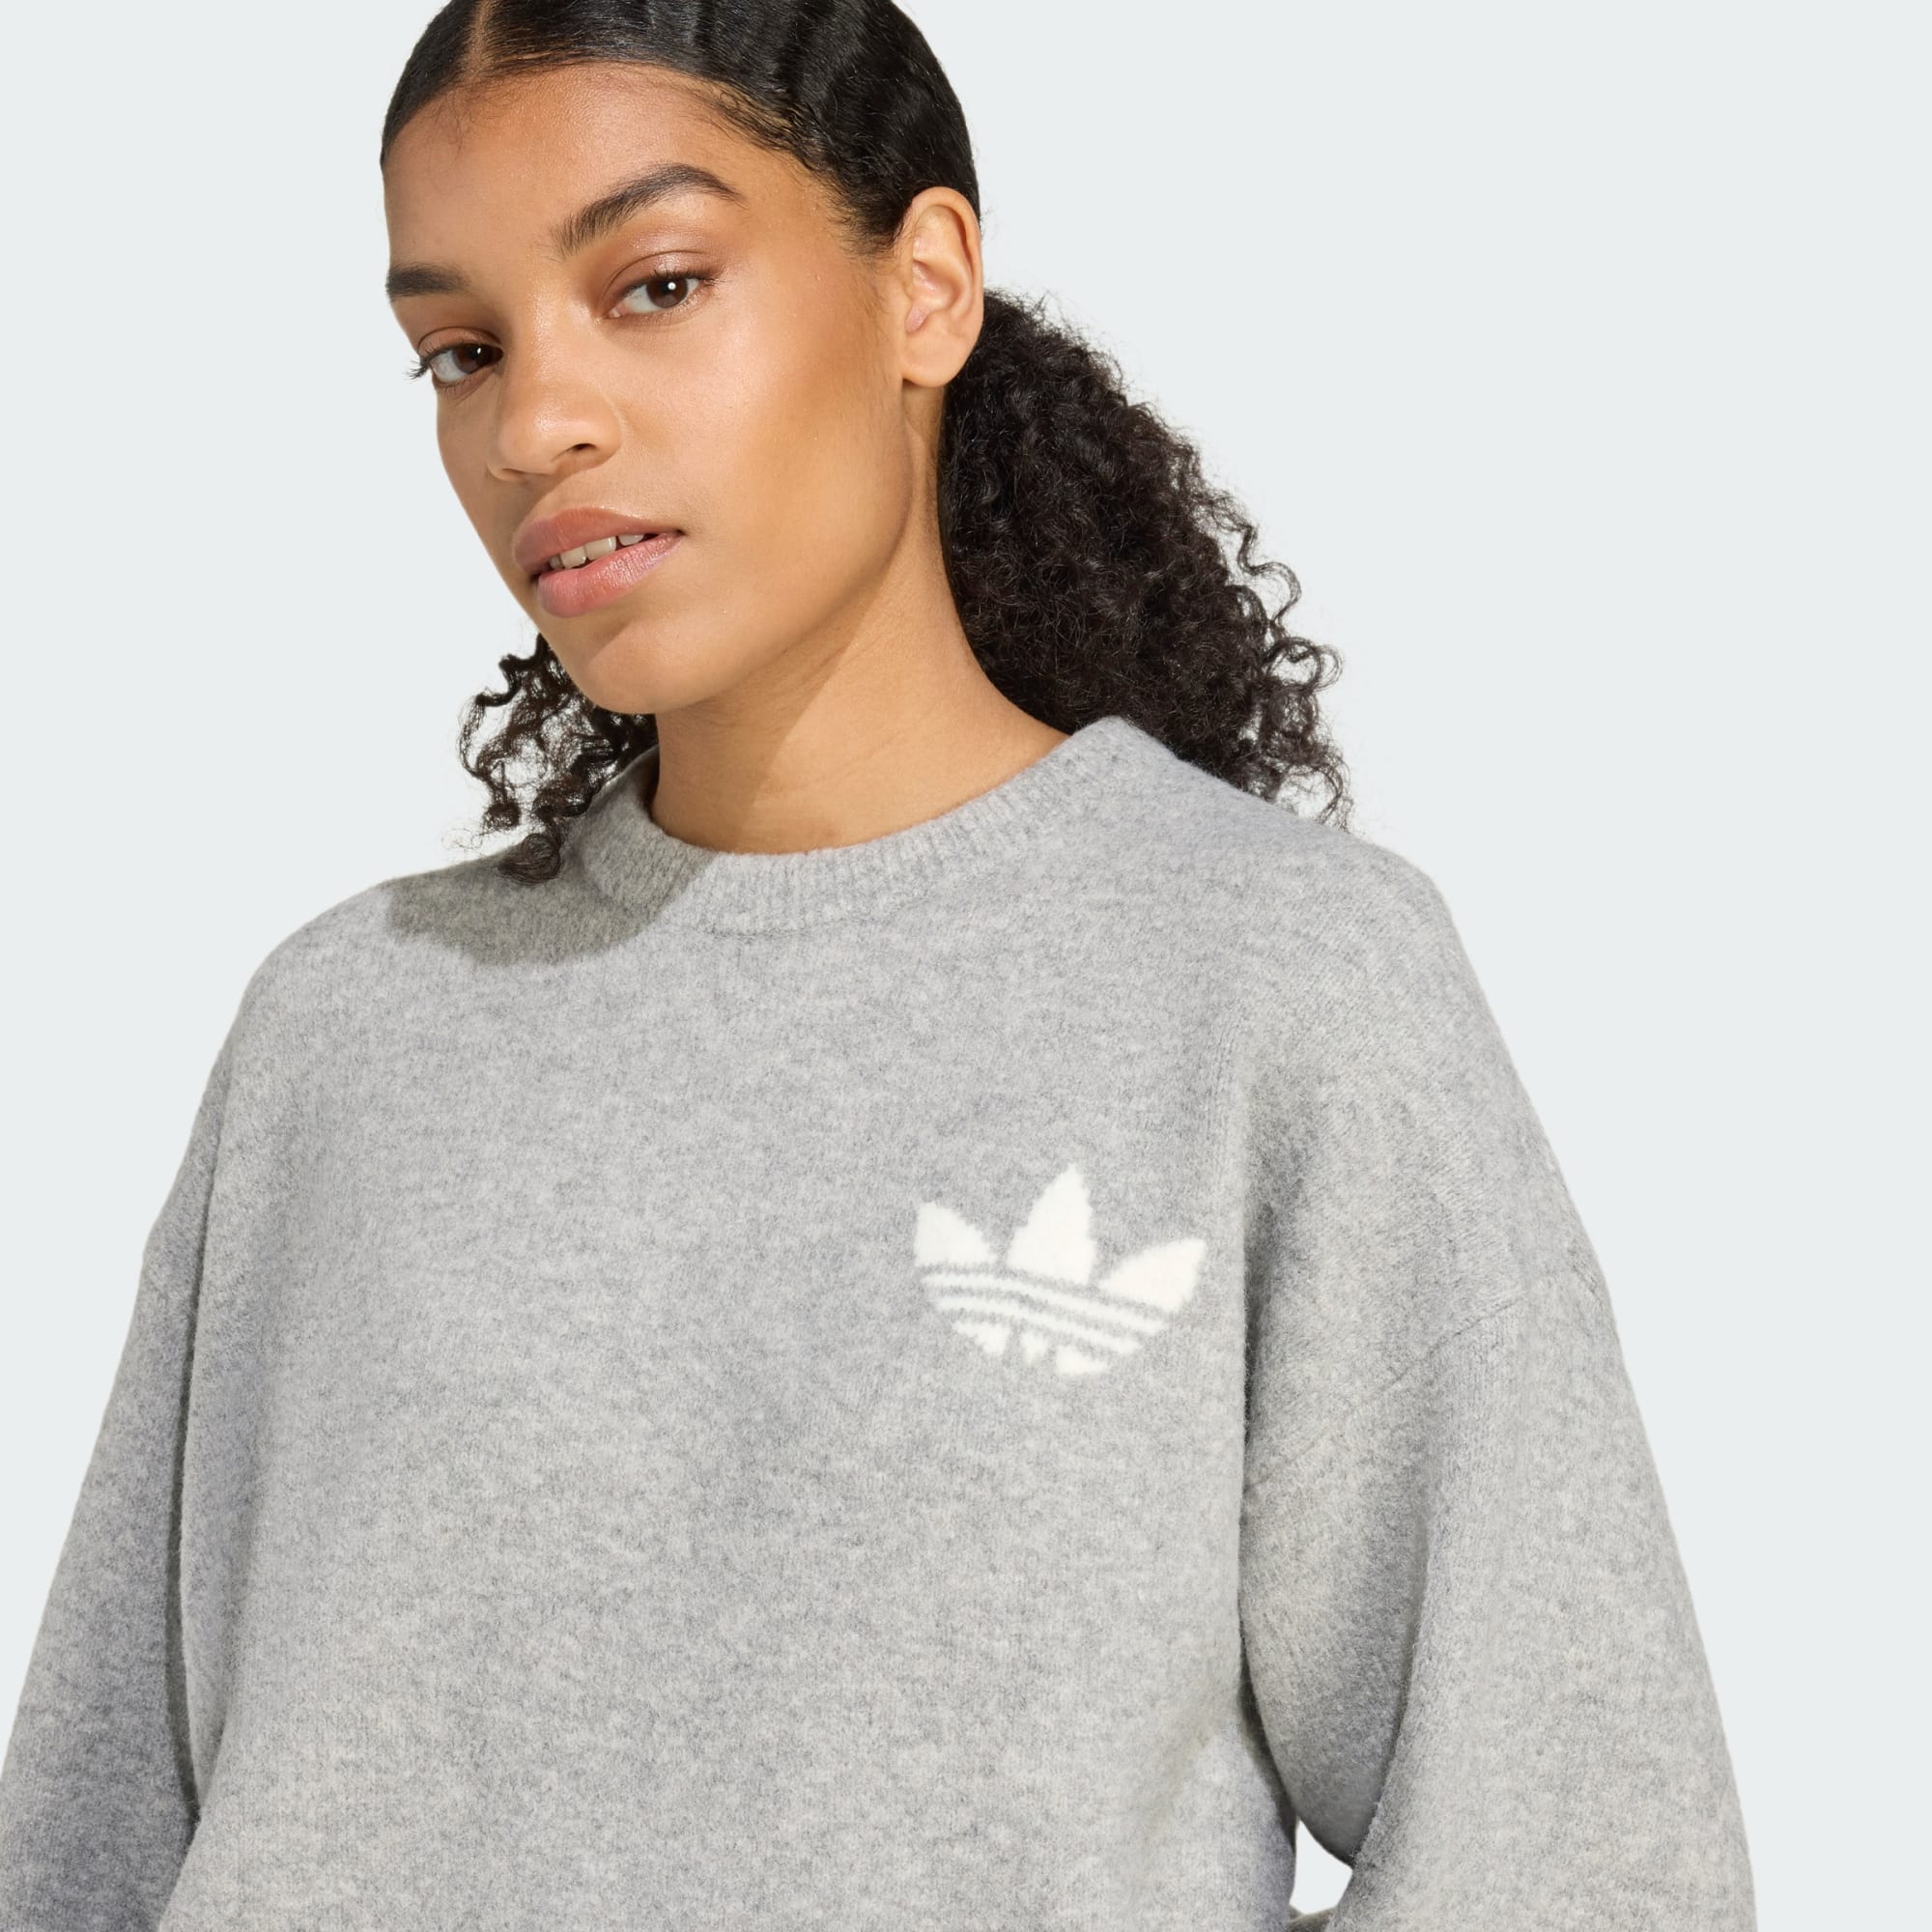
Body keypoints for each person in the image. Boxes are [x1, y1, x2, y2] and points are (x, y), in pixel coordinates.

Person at [0, 3, 1757, 1926]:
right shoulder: (348, 1033)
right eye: (462, 350)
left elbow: (1582, 1847)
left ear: (926, 288)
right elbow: (91, 1846)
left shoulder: (1270, 985)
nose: (531, 425)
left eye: (655, 286)